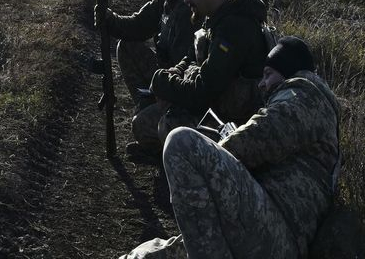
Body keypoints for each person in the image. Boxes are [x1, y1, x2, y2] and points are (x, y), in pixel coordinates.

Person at [119, 36, 340, 259]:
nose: (262, 84)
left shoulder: (304, 95)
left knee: (181, 142)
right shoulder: (307, 103)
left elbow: (251, 143)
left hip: (275, 231)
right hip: (260, 225)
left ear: (287, 71)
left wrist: (212, 154)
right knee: (148, 254)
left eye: (268, 74)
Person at [94, 0, 196, 162]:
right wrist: (109, 19)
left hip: (181, 93)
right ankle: (148, 106)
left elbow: (189, 77)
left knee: (140, 126)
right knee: (127, 47)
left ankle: (166, 145)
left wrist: (166, 97)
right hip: (165, 81)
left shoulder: (185, 13)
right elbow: (137, 27)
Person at [149, 0, 267, 146]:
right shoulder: (216, 17)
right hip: (216, 109)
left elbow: (202, 93)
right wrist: (176, 71)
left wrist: (161, 82)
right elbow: (193, 55)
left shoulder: (233, 29)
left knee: (167, 125)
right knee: (147, 121)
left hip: (238, 127)